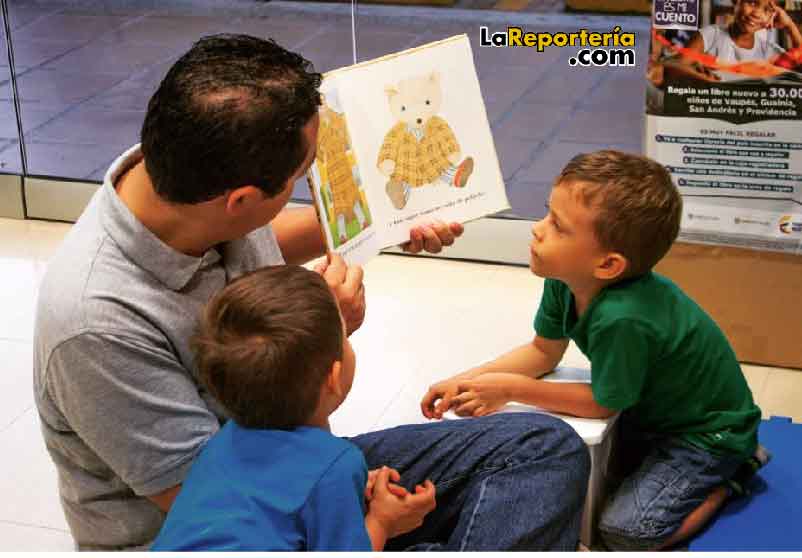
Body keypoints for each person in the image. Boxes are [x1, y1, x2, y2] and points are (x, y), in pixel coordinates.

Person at [33, 34, 590, 550]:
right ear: (242, 200)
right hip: (223, 526)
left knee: (542, 449)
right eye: (303, 179)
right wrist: (321, 332)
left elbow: (253, 237)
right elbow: (214, 504)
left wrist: (388, 216)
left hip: (291, 468)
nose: (310, 189)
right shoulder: (94, 324)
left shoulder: (187, 175)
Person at [421, 150, 763, 550]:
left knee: (624, 531)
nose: (537, 230)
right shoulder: (564, 278)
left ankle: (733, 476)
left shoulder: (624, 317)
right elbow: (542, 352)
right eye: (547, 214)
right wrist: (464, 381)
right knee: (584, 488)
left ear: (607, 265)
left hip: (707, 434)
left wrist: (511, 389)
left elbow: (602, 403)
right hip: (648, 414)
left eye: (558, 227)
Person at [152, 265, 436, 551]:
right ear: (333, 378)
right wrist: (382, 521)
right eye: (344, 337)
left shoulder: (219, 445)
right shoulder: (338, 464)